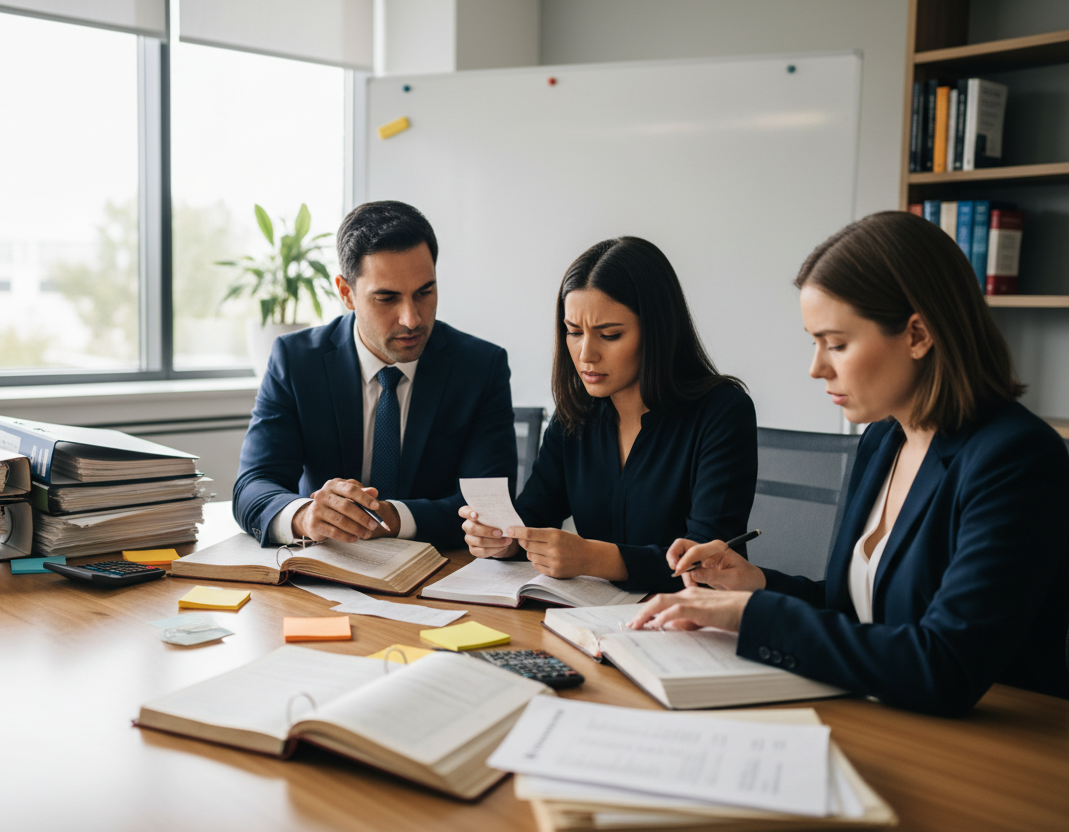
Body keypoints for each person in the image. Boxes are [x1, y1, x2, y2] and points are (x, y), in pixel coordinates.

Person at [631, 211, 1069, 716]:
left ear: (918, 335)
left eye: (836, 344)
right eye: (814, 342)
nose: (816, 368)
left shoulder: (1016, 460)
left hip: (996, 741)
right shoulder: (884, 439)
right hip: (884, 713)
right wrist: (755, 584)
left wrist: (752, 615)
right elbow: (859, 609)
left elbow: (945, 665)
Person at [458, 236, 757, 594]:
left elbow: (707, 562)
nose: (586, 354)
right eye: (573, 332)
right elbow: (534, 514)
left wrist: (592, 558)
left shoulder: (723, 412)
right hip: (591, 615)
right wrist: (502, 540)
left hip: (691, 617)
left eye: (610, 335)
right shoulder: (575, 413)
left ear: (657, 332)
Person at [233, 200, 517, 549]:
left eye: (425, 292)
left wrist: (393, 518)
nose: (411, 319)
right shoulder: (296, 361)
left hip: (440, 567)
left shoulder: (480, 367)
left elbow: (490, 507)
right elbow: (253, 486)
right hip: (325, 567)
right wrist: (305, 516)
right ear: (346, 293)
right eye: (386, 298)